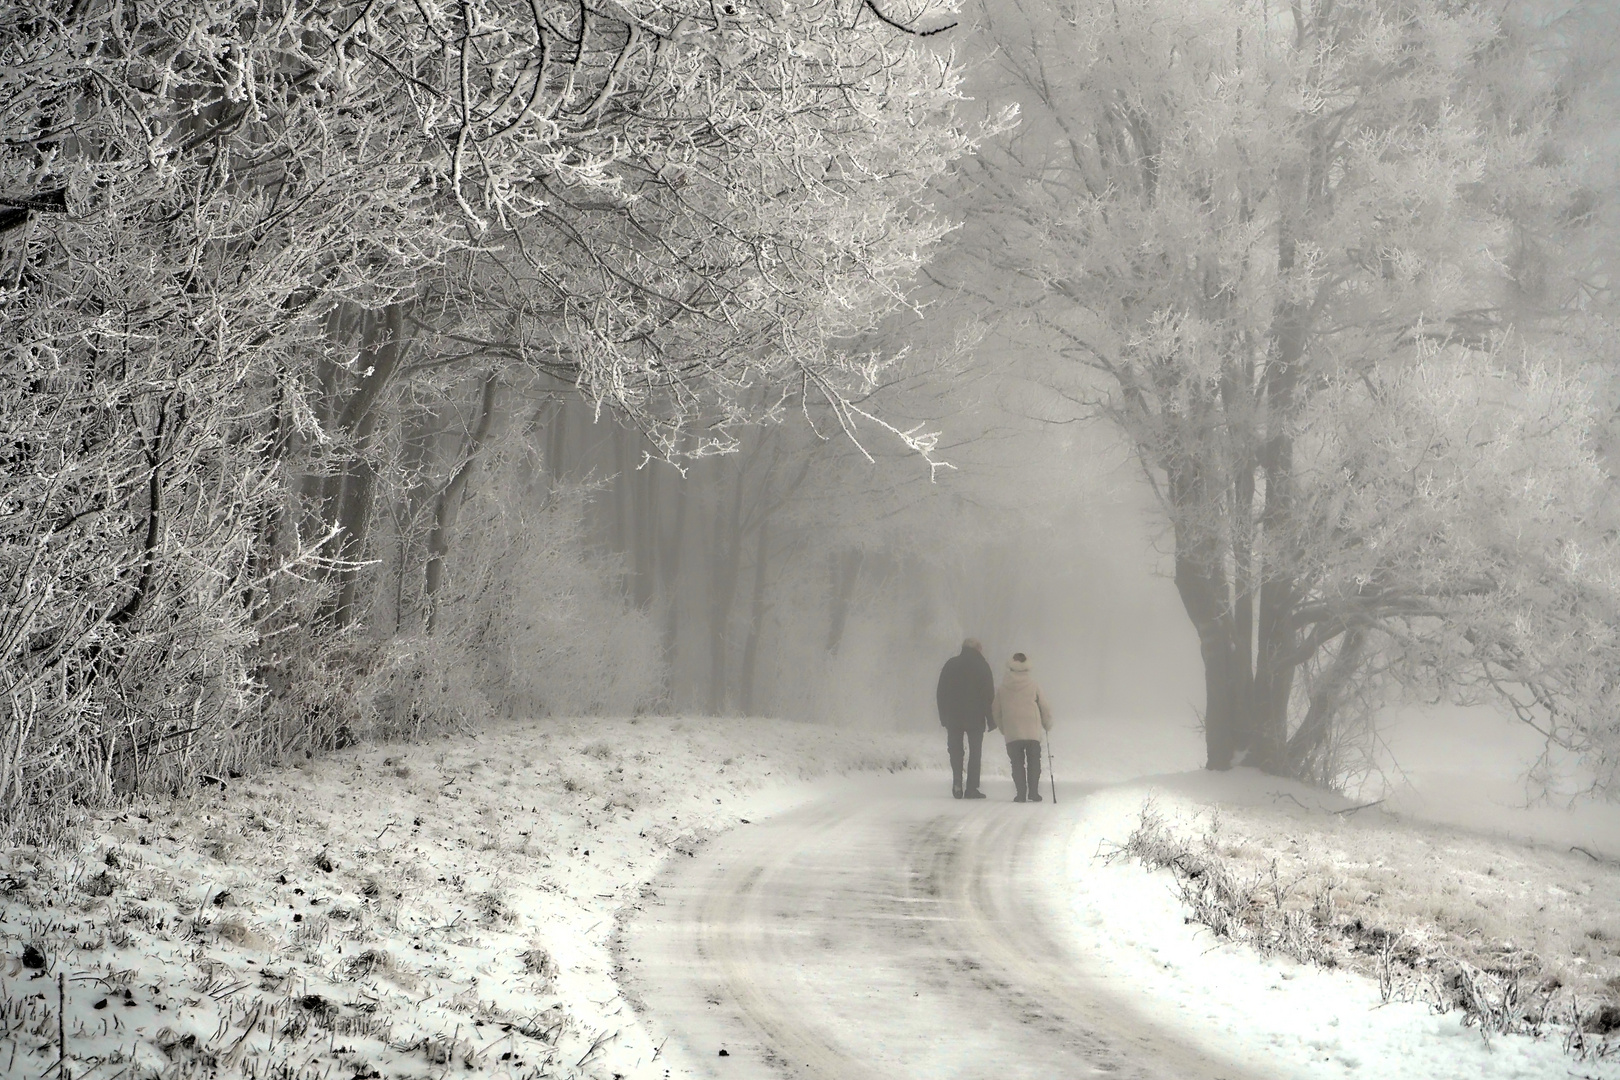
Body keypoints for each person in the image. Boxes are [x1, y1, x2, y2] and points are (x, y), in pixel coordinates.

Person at [935, 638, 995, 799]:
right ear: (977, 649)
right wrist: (991, 719)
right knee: (975, 752)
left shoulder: (951, 664)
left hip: (953, 717)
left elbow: (941, 692)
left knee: (955, 750)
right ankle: (971, 788)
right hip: (975, 717)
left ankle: (957, 782)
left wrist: (943, 716)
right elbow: (988, 694)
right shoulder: (982, 666)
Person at [993, 652, 1052, 803]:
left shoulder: (1003, 688)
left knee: (1017, 763)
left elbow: (996, 710)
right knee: (1034, 761)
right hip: (1032, 728)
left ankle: (1020, 794)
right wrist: (1047, 723)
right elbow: (1044, 706)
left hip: (1012, 729)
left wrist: (1003, 727)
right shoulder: (1034, 685)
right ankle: (1033, 792)